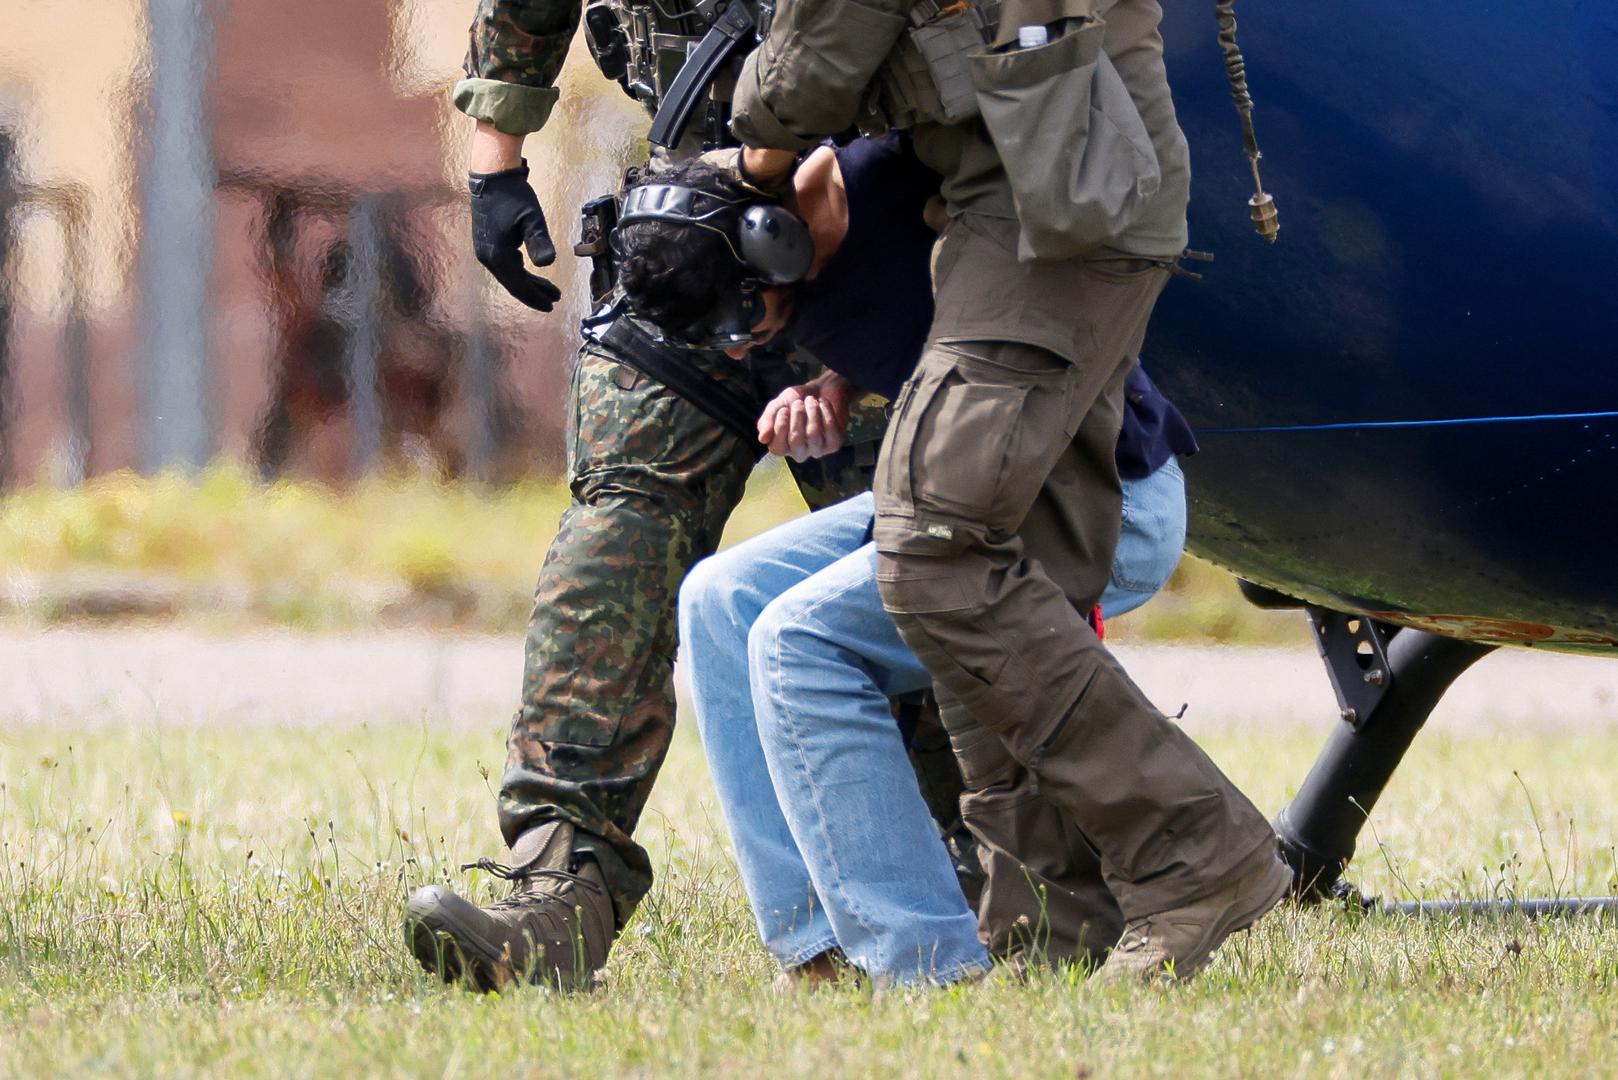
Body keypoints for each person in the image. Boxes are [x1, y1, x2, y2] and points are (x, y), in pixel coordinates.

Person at [727, 0, 1291, 980]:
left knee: (935, 541)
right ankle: (1052, 935)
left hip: (1049, 205)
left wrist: (749, 170)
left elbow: (810, 75)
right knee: (1021, 551)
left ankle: (1192, 847)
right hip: (1054, 193)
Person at [406, 0, 905, 992]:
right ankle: (558, 886)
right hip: (696, 241)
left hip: (882, 234)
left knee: (915, 566)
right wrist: (497, 154)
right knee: (614, 536)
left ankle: (985, 870)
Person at [614, 139, 1192, 984]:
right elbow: (914, 329)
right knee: (720, 598)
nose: (738, 352)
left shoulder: (906, 177)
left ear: (773, 241)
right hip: (964, 497)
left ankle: (925, 966)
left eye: (739, 322)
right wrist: (835, 387)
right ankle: (820, 952)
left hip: (1103, 500)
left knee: (796, 641)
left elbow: (1003, 304)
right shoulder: (783, 258)